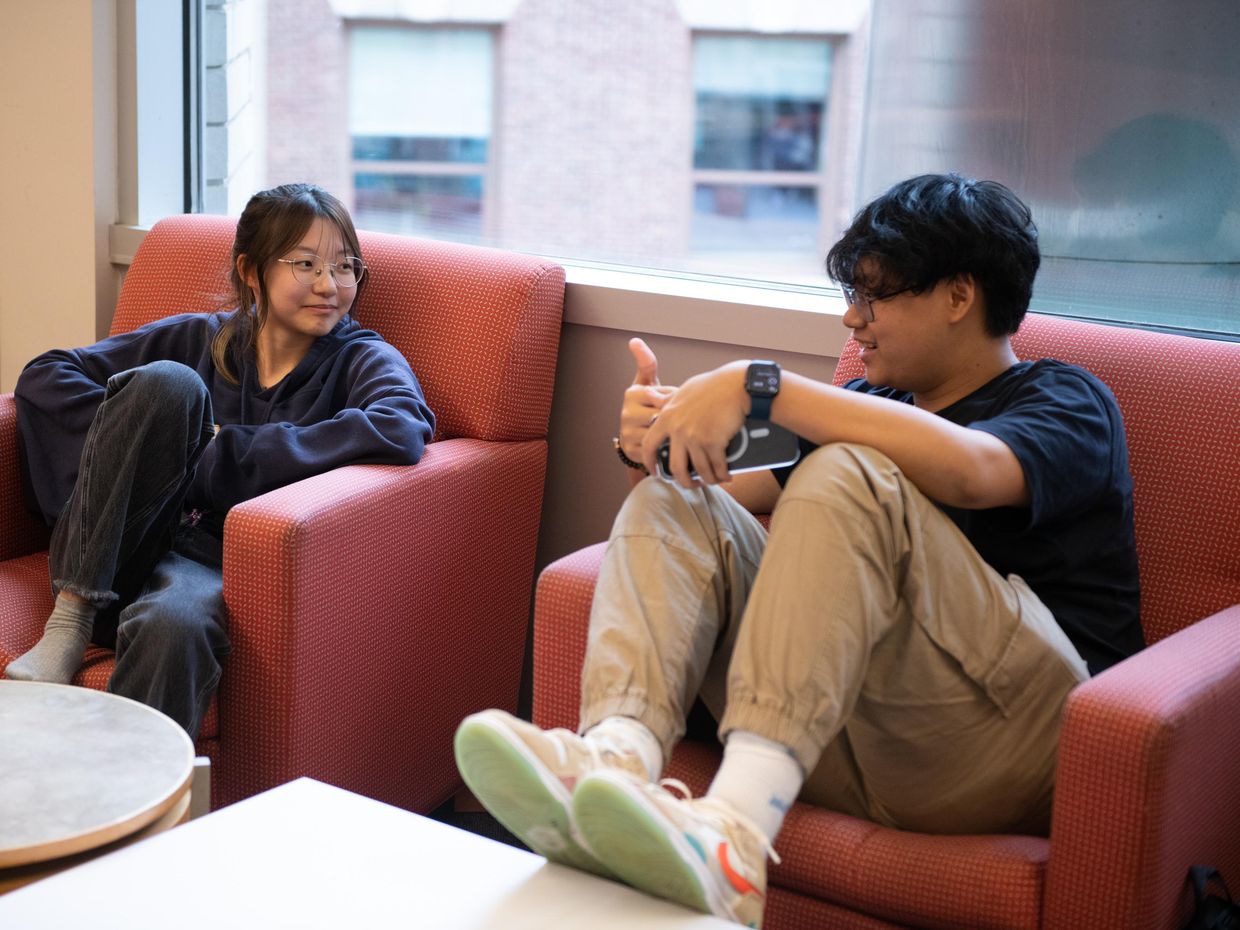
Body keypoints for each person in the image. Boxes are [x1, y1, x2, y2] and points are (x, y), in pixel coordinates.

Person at [454, 173, 1144, 927]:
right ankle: (618, 758)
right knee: (677, 499)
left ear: (958, 296)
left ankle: (736, 834)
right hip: (858, 737)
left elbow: (975, 471)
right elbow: (712, 500)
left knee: (846, 468)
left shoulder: (1066, 399)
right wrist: (657, 441)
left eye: (875, 297)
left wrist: (764, 387)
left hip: (1019, 744)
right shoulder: (876, 410)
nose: (853, 319)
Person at [4, 182, 435, 740]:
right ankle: (71, 617)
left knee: (176, 626)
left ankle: (133, 808)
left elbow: (400, 425)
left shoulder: (361, 358)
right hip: (120, 544)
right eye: (306, 264)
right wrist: (148, 435)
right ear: (252, 271)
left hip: (210, 563)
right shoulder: (198, 338)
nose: (330, 285)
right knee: (167, 387)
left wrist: (213, 449)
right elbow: (46, 376)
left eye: (346, 266)